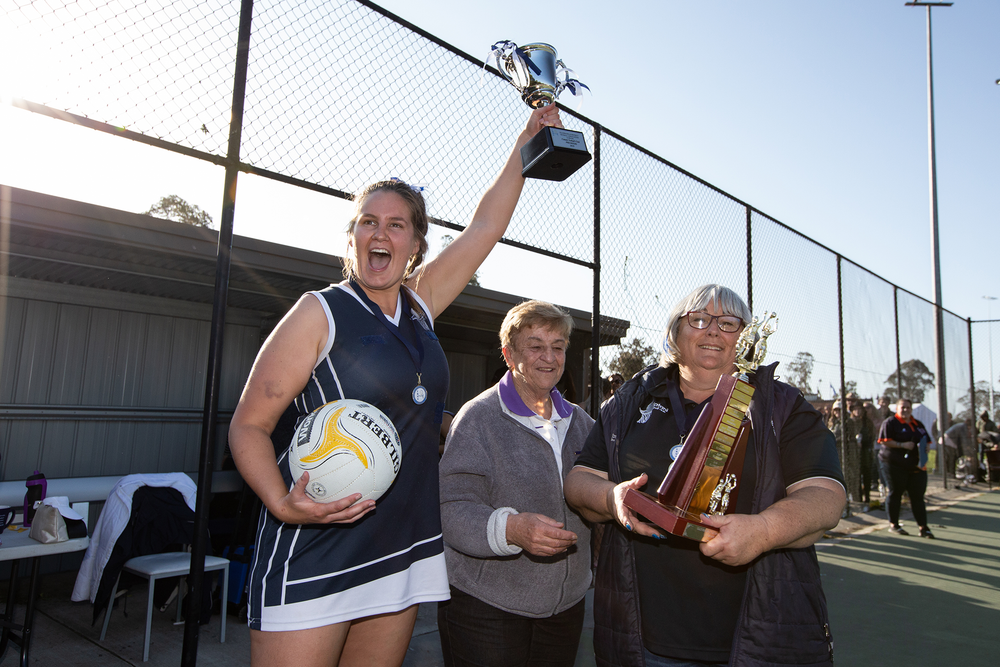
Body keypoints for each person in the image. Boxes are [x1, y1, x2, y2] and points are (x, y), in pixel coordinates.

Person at [228, 105, 564, 667]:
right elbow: (249, 425)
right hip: (316, 541)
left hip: (399, 545)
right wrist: (280, 503)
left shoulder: (420, 305)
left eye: (395, 224)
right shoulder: (320, 312)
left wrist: (525, 146)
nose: (379, 233)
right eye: (367, 221)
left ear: (414, 244)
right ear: (354, 235)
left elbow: (485, 228)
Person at [564, 284, 846, 667]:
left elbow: (825, 496)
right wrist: (612, 499)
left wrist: (764, 531)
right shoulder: (630, 401)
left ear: (747, 341)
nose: (713, 331)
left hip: (757, 638)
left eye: (729, 323)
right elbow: (579, 480)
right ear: (675, 333)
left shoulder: (782, 405)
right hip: (642, 639)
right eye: (698, 319)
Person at [437, 300, 594, 667]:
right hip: (487, 609)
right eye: (536, 345)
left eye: (558, 346)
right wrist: (513, 529)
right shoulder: (478, 418)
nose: (549, 357)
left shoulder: (583, 424)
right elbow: (452, 507)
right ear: (509, 354)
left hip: (566, 607)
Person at [877, 398, 934, 538]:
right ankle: (894, 525)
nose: (905, 410)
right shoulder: (890, 423)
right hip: (894, 465)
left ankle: (923, 527)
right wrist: (902, 445)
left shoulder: (918, 424)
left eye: (908, 407)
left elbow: (927, 440)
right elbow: (885, 441)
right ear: (897, 409)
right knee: (895, 493)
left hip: (916, 466)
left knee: (918, 497)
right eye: (902, 407)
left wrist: (926, 447)